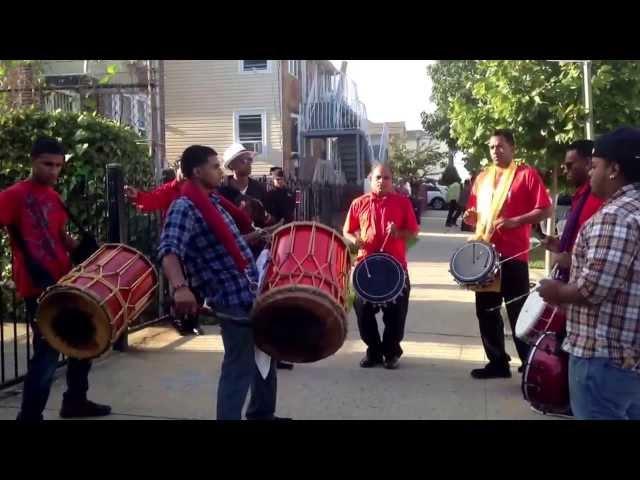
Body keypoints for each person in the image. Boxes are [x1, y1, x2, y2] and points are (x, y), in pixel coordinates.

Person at [158, 145, 287, 420]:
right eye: (215, 166)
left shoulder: (213, 201)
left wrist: (261, 235)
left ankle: (262, 414)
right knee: (238, 365)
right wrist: (180, 288)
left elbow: (230, 243)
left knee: (267, 352)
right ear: (197, 171)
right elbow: (169, 250)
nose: (220, 171)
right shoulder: (185, 207)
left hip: (249, 290)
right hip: (230, 298)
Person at [0, 138, 111, 421]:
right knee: (48, 352)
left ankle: (75, 402)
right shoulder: (14, 195)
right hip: (37, 284)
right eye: (47, 164)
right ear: (32, 161)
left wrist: (86, 252)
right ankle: (29, 415)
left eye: (58, 166)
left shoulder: (53, 196)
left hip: (65, 280)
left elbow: (60, 236)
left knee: (84, 340)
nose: (53, 171)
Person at [538, 127, 640, 420]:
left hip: (602, 358)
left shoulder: (615, 216)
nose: (591, 173)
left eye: (594, 166)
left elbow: (593, 290)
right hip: (628, 358)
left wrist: (555, 292)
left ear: (614, 169)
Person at [463, 129, 552, 379]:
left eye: (500, 146)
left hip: (513, 255)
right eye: (491, 147)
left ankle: (529, 363)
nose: (495, 151)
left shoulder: (526, 175)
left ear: (513, 148)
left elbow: (545, 210)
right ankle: (497, 363)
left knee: (518, 311)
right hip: (485, 255)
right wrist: (470, 217)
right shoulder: (481, 178)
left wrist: (516, 221)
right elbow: (474, 214)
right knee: (487, 310)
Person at [343, 163, 419, 370]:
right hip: (365, 267)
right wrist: (353, 240)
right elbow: (347, 230)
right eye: (378, 177)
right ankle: (374, 351)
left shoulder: (403, 203)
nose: (381, 181)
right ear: (370, 179)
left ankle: (391, 351)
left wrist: (398, 233)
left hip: (395, 268)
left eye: (386, 178)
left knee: (396, 314)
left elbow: (412, 232)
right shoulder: (358, 203)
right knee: (363, 312)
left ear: (391, 180)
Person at [540, 140, 604, 282]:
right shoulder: (580, 197)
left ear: (588, 163)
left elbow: (603, 252)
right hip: (571, 279)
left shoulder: (600, 198)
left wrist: (571, 260)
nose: (564, 170)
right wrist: (560, 246)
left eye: (569, 165)